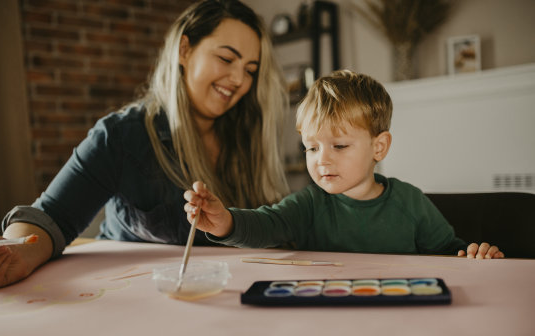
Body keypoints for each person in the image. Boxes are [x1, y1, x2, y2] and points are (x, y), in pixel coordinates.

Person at [0, 0, 290, 288]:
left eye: (250, 70)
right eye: (227, 59)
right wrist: (14, 249)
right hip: (138, 304)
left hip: (229, 298)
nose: (238, 80)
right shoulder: (121, 135)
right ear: (184, 50)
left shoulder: (248, 135)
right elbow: (52, 216)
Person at [184, 70, 505, 259]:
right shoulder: (309, 204)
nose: (321, 158)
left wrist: (474, 256)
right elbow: (267, 225)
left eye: (339, 146)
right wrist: (224, 222)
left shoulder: (410, 202)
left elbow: (450, 252)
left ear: (379, 147)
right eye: (311, 147)